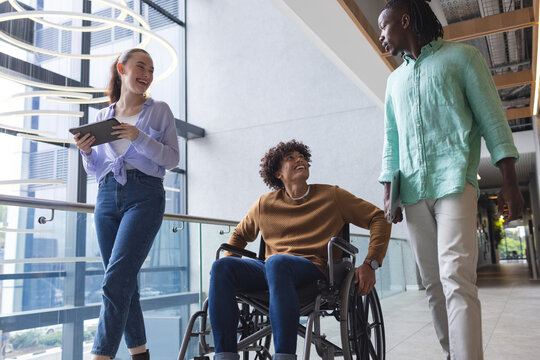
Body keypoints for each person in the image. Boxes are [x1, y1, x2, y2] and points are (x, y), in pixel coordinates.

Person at [377, 1, 524, 359]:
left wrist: (510, 181)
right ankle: (453, 352)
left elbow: (493, 120)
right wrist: (388, 195)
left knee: (456, 276)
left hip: (455, 183)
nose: (381, 36)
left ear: (406, 20)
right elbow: (391, 141)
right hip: (411, 193)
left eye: (385, 27)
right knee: (432, 284)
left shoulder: (463, 59)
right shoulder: (393, 81)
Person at [209, 140, 391, 360]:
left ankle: (284, 356)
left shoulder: (332, 196)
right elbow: (238, 235)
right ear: (277, 173)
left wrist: (371, 263)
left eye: (302, 156)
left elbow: (378, 217)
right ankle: (225, 356)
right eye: (290, 158)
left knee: (278, 262)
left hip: (313, 270)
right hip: (271, 271)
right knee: (222, 267)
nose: (300, 160)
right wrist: (233, 266)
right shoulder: (264, 204)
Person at [74, 48, 180, 360]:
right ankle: (139, 353)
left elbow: (172, 158)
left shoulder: (159, 110)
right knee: (124, 283)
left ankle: (100, 355)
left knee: (115, 280)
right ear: (122, 68)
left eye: (151, 69)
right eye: (140, 66)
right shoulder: (101, 117)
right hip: (106, 197)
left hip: (145, 195)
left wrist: (138, 137)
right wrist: (85, 152)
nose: (147, 74)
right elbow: (95, 170)